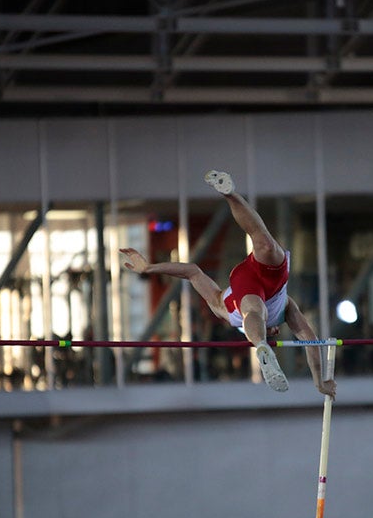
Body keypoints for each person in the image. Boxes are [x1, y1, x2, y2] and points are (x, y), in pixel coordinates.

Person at [119, 170, 336, 398]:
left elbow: (193, 273)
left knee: (256, 293)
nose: (276, 329)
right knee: (265, 244)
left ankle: (261, 347)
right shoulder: (285, 308)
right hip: (268, 279)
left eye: (271, 332)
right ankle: (229, 193)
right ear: (276, 329)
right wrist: (319, 381)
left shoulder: (225, 310)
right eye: (274, 332)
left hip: (247, 285)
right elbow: (311, 341)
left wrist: (150, 268)